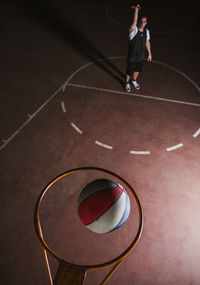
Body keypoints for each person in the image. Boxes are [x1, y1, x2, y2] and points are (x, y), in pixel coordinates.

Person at [125, 4, 152, 92]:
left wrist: (149, 53)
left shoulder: (146, 31)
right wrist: (136, 11)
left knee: (137, 70)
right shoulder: (134, 30)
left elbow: (147, 42)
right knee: (129, 71)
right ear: (139, 22)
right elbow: (134, 22)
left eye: (144, 22)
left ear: (146, 23)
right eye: (141, 21)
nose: (142, 23)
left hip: (140, 56)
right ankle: (127, 83)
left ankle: (134, 80)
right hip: (132, 55)